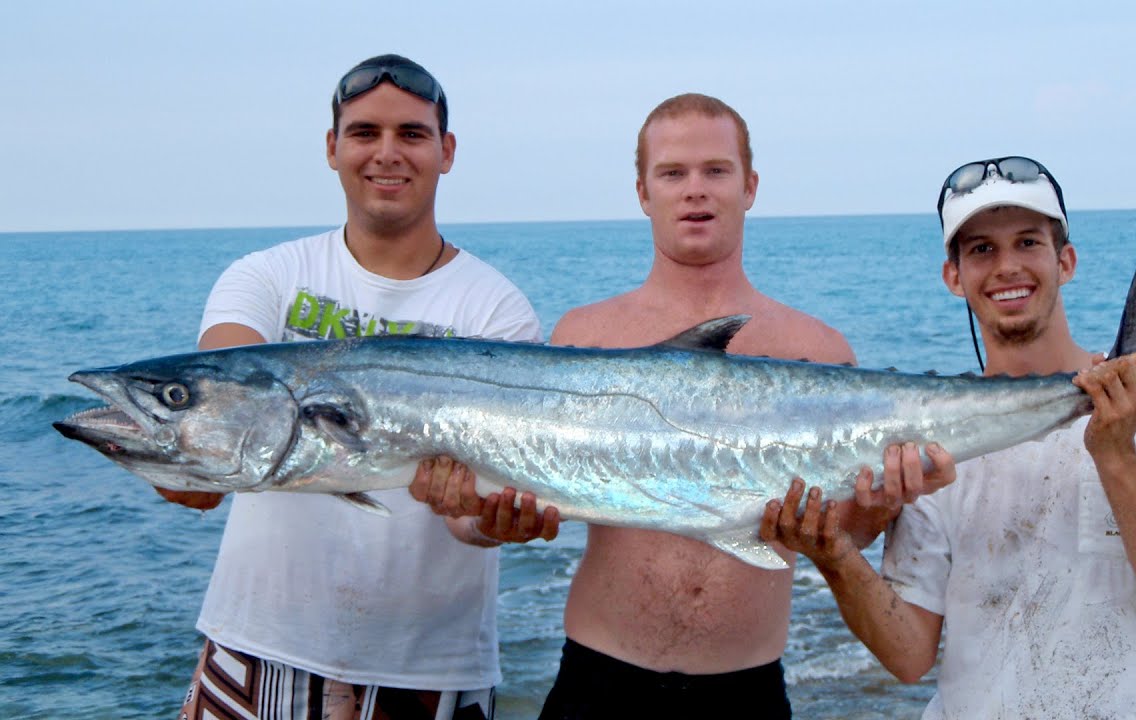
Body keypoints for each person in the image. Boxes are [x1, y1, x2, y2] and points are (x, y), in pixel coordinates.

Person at [763, 156, 1136, 718]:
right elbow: (911, 654)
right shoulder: (929, 444)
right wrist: (836, 555)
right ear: (954, 276)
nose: (1007, 267)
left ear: (1065, 261)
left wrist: (1116, 456)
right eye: (981, 249)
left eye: (1028, 243)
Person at [526, 93, 952, 719]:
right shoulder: (583, 337)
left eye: (716, 171)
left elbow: (848, 532)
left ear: (749, 186)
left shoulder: (818, 349)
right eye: (673, 173)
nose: (695, 190)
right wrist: (488, 517)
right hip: (598, 681)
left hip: (745, 690)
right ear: (643, 192)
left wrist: (884, 500)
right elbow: (523, 498)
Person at [162, 54, 545, 720]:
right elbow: (220, 410)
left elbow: (467, 519)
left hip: (430, 672)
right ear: (332, 147)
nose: (387, 153)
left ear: (446, 151)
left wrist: (487, 519)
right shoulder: (266, 277)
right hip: (257, 649)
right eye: (365, 132)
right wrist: (178, 449)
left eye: (412, 134)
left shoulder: (497, 310)